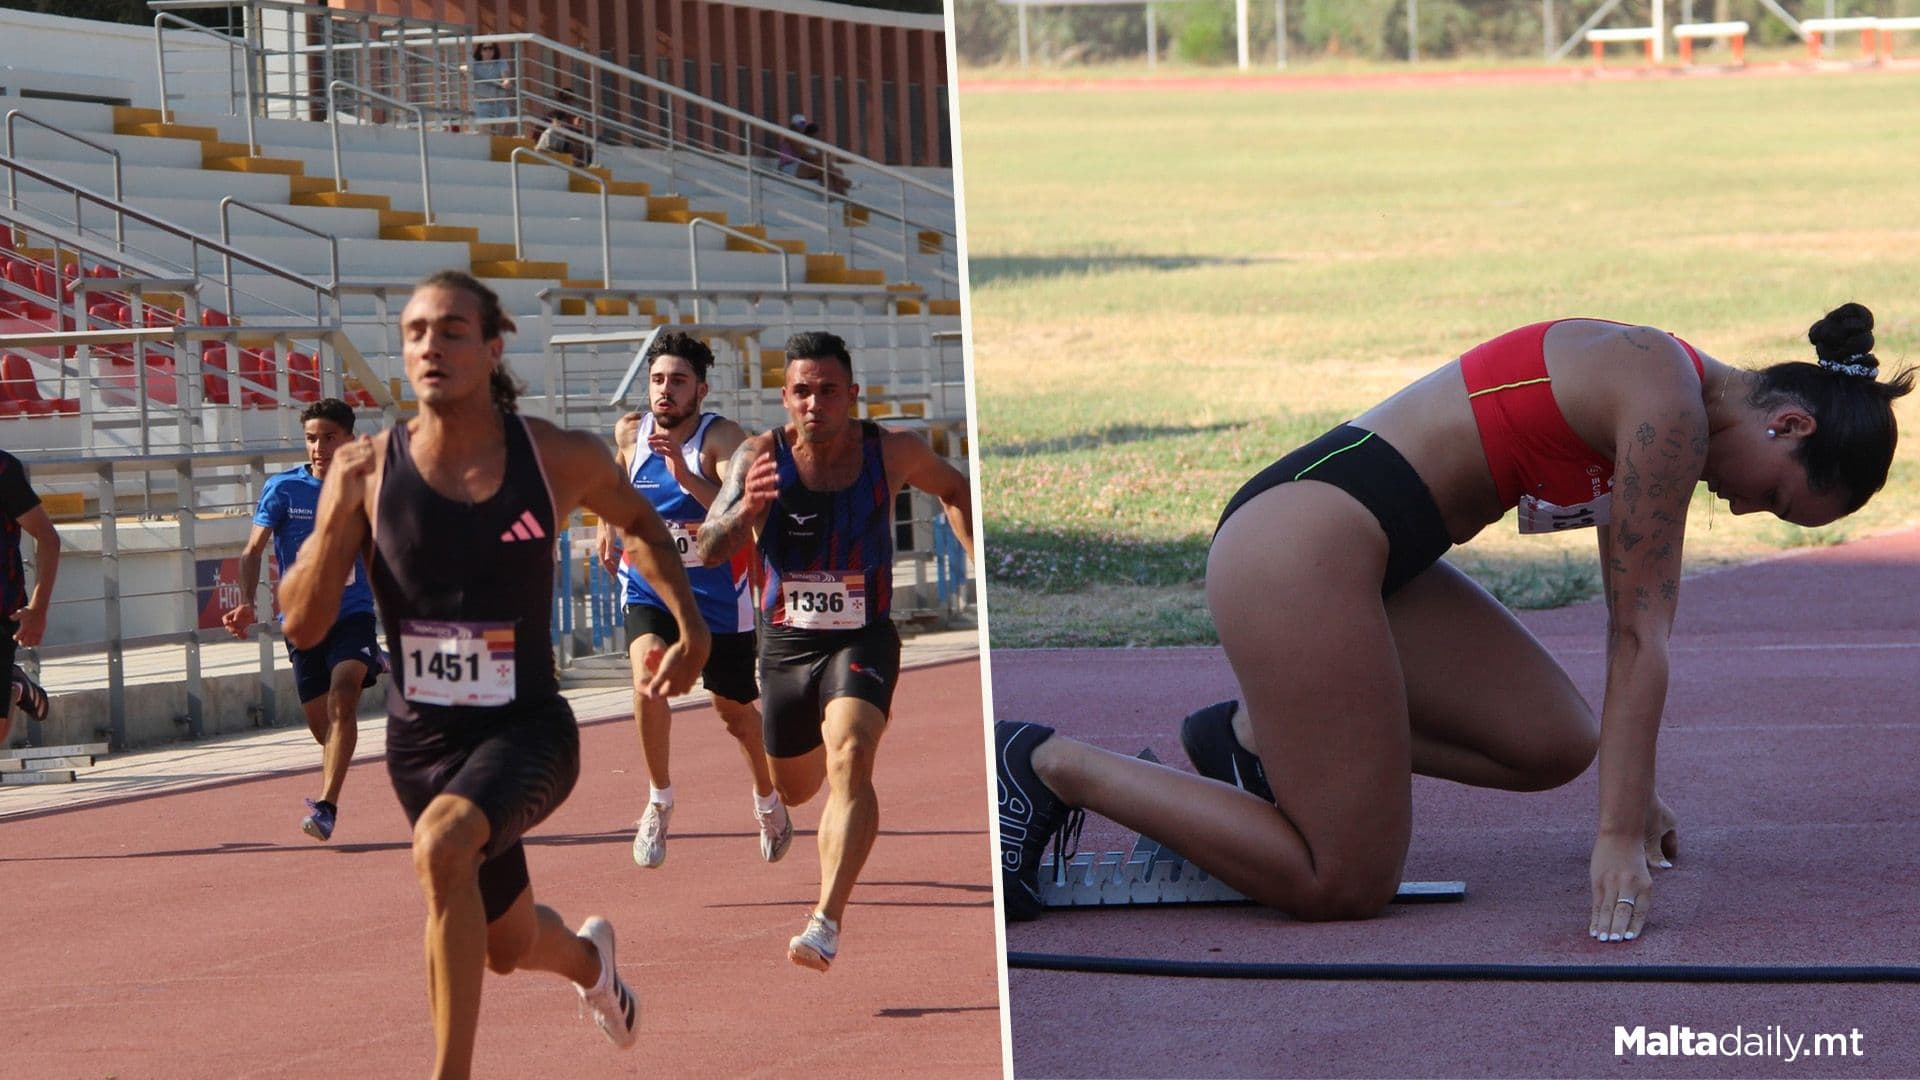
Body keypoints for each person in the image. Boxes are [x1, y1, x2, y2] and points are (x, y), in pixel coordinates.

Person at [997, 303, 1913, 944]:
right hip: (1302, 541)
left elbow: (1629, 627)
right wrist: (1616, 833)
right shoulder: (1665, 402)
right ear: (1788, 424)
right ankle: (1048, 764)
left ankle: (1249, 743)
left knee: (1554, 745)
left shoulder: (1668, 394)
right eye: (1777, 501)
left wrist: (1625, 798)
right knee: (1343, 883)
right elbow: (1639, 636)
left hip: (1379, 558)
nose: (1748, 512)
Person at [279, 270, 709, 1076]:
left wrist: (691, 628)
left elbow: (643, 523)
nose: (429, 346)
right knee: (506, 944)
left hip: (527, 729)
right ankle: (594, 966)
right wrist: (330, 526)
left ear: (492, 346)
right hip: (422, 745)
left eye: (449, 330)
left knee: (444, 846)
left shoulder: (554, 457)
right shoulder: (365, 470)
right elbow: (301, 620)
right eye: (414, 333)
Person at [695, 330, 975, 972]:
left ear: (852, 394)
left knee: (852, 755)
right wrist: (748, 511)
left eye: (827, 390)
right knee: (797, 790)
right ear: (785, 397)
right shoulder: (756, 457)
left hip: (861, 636)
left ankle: (826, 920)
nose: (814, 402)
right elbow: (710, 547)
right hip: (786, 647)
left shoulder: (893, 451)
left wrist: (975, 555)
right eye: (801, 391)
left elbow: (955, 489)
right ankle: (804, 793)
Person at [595, 331, 790, 869]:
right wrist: (608, 523)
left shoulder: (722, 440)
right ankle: (659, 800)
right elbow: (617, 476)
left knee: (734, 712)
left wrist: (686, 477)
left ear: (700, 390)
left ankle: (767, 799)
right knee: (648, 678)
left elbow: (736, 513)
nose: (665, 391)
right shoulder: (631, 431)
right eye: (657, 380)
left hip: (717, 595)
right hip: (650, 584)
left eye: (677, 381)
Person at [223, 398, 383, 841]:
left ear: (349, 438)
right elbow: (253, 549)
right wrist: (246, 603)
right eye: (312, 438)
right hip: (303, 622)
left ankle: (327, 806)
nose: (319, 447)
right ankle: (377, 661)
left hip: (352, 613)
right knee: (323, 729)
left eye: (329, 437)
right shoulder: (283, 489)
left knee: (344, 698)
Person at [0, 448, 58, 745]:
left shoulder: (3, 469)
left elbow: (48, 538)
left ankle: (13, 686)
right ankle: (15, 684)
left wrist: (38, 609)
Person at [470, 43, 514, 123]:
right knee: (485, 133)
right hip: (482, 104)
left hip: (500, 103)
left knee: (500, 132)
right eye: (485, 48)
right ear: (480, 51)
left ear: (495, 50)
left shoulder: (501, 62)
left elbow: (505, 75)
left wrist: (506, 81)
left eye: (491, 48)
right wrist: (464, 69)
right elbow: (463, 67)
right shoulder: (475, 64)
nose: (488, 51)